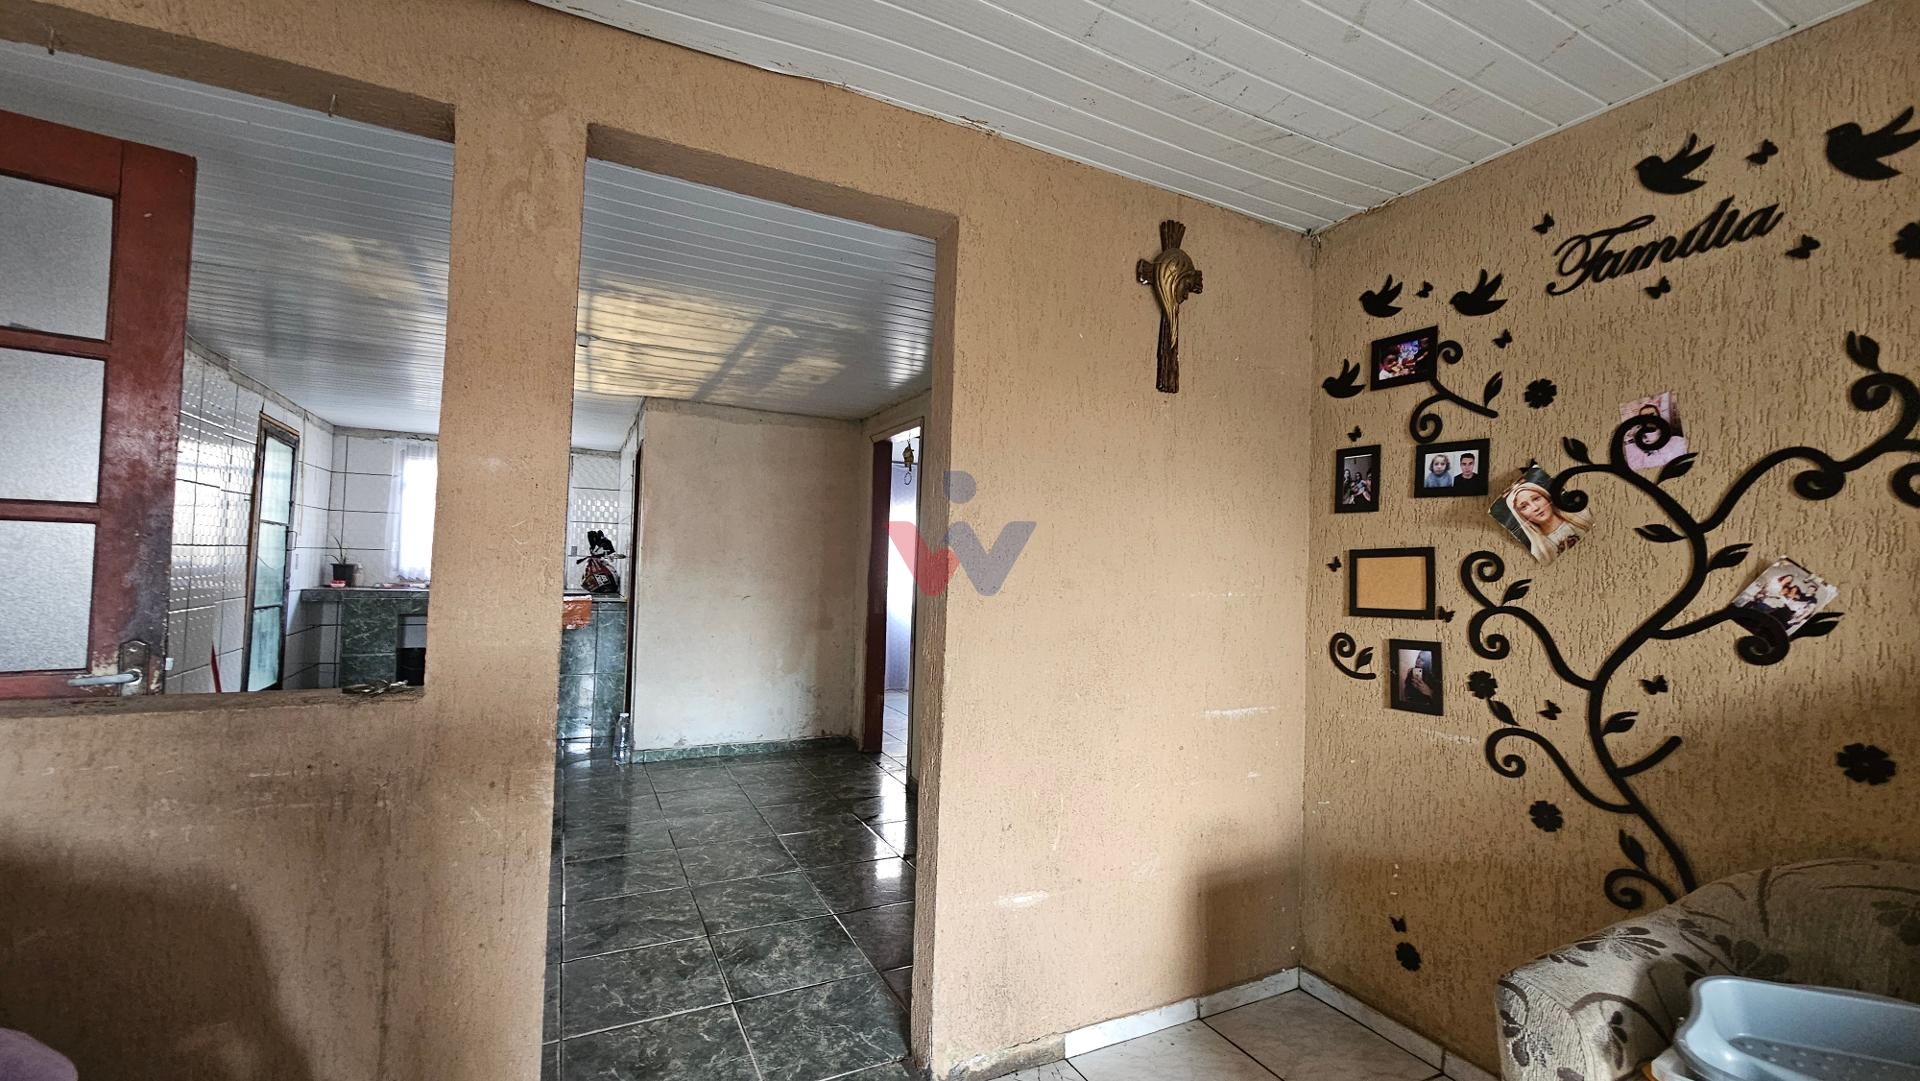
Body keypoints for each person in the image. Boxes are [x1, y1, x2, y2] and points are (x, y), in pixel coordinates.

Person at [1505, 480, 1593, 564]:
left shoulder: (1583, 515)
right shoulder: (1539, 552)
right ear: (1520, 516)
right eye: (1524, 507)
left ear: (1546, 497)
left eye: (1536, 499)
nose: (1535, 508)